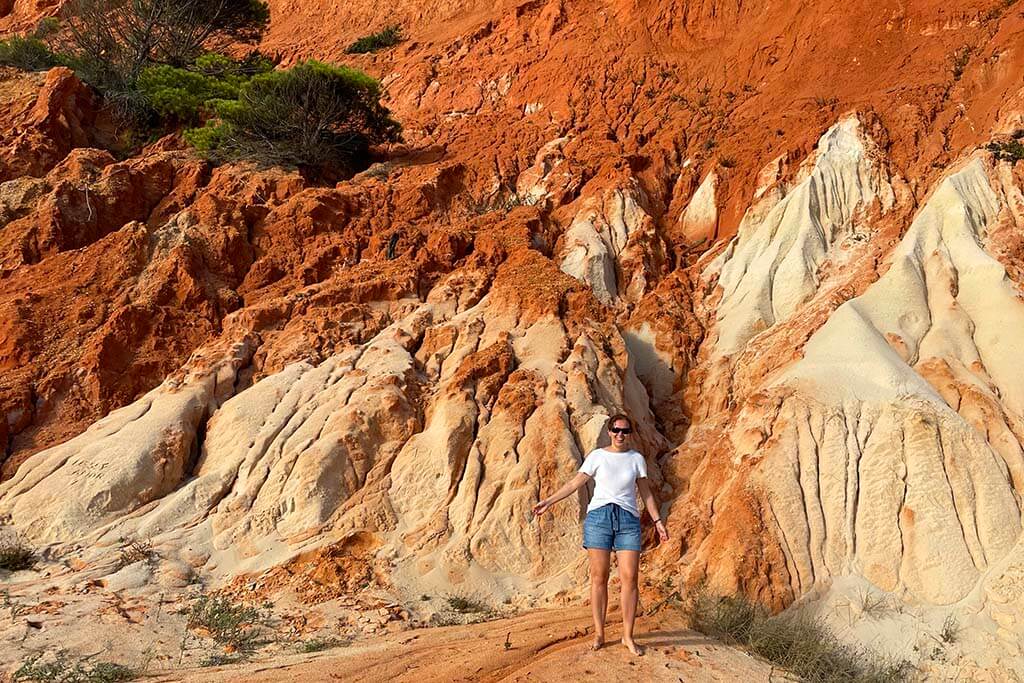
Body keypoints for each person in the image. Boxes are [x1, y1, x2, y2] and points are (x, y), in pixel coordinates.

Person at [532, 413, 669, 655]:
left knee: (630, 578)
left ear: (630, 434)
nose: (620, 435)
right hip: (599, 519)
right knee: (599, 577)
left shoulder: (636, 459)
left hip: (628, 520)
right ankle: (599, 633)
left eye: (625, 431)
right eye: (616, 430)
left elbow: (646, 493)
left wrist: (658, 521)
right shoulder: (597, 456)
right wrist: (549, 501)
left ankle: (627, 636)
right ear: (609, 431)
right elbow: (575, 483)